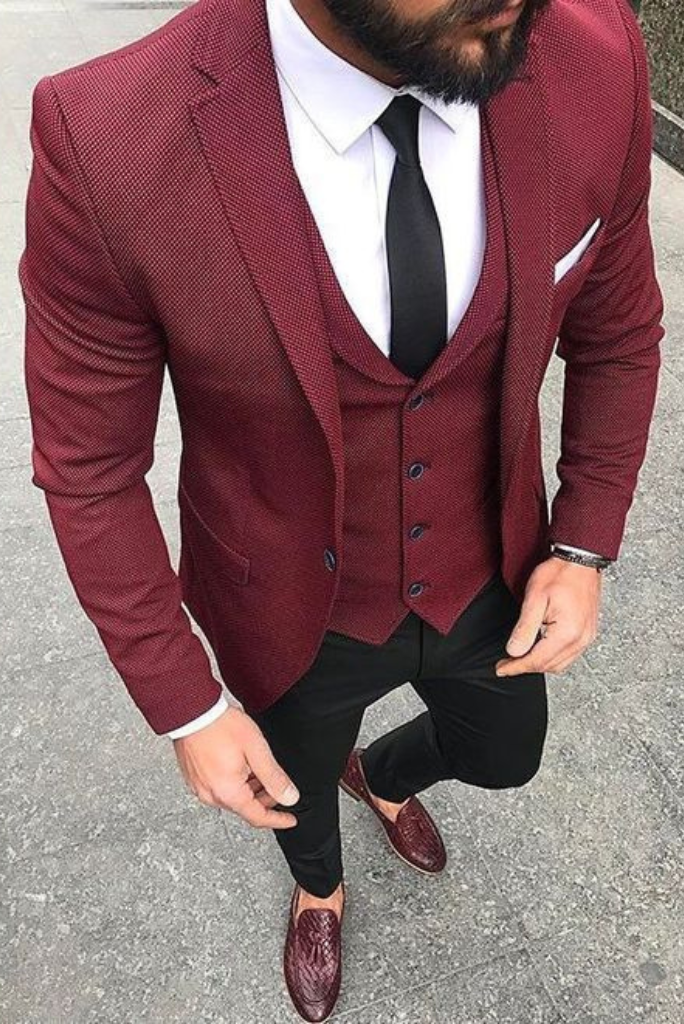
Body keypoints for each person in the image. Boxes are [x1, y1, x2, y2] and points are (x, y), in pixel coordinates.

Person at [18, 0, 664, 1019]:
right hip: (284, 603)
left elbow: (620, 330)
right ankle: (319, 890)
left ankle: (386, 774)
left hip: (490, 571)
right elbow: (90, 467)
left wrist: (584, 541)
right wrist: (186, 704)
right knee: (292, 792)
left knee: (506, 753)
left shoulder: (594, 54)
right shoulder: (107, 137)